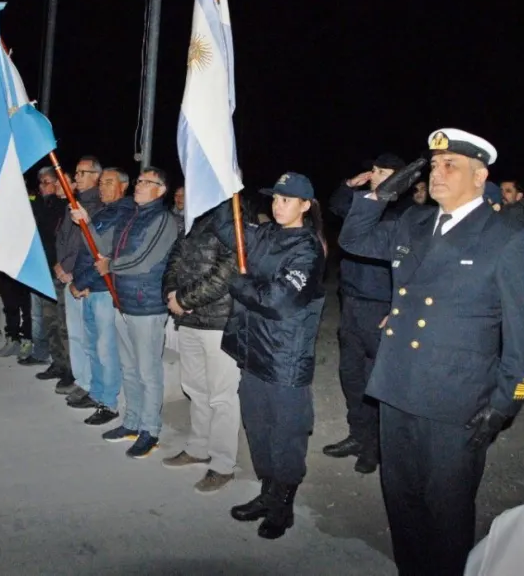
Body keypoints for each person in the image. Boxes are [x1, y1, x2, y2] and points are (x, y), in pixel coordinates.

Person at [339, 128, 524, 575]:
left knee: (446, 512)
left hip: (455, 397)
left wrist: (505, 402)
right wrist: (379, 196)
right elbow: (353, 241)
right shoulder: (413, 223)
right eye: (434, 165)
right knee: (401, 501)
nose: (438, 172)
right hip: (397, 386)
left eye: (450, 164)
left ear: (480, 176)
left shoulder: (507, 236)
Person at [212, 172, 326, 540]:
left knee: (286, 435)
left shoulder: (307, 250)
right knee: (258, 429)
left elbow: (276, 301)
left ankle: (283, 505)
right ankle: (267, 493)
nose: (278, 205)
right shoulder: (265, 235)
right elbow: (226, 228)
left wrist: (236, 281)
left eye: (287, 200)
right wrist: (218, 188)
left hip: (284, 358)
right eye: (276, 199)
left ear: (305, 206)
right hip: (253, 351)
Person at [324, 152, 406, 474]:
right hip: (353, 302)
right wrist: (349, 185)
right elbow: (337, 207)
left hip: (381, 306)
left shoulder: (405, 212)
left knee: (376, 381)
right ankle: (357, 436)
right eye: (372, 169)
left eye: (381, 171)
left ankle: (375, 448)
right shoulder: (365, 204)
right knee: (351, 375)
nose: (373, 174)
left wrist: (399, 308)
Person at [88, 167, 178, 458]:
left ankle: (150, 430)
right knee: (129, 368)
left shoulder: (163, 220)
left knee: (147, 371)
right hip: (123, 302)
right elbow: (103, 248)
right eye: (138, 181)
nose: (138, 185)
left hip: (146, 305)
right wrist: (86, 224)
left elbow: (142, 260)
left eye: (145, 182)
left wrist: (110, 267)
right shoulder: (132, 216)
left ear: (160, 190)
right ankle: (132, 422)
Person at [161, 204, 241, 492]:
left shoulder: (234, 221)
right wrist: (171, 294)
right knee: (195, 387)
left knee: (222, 396)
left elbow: (225, 276)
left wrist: (183, 300)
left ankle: (222, 464)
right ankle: (198, 447)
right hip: (189, 318)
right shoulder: (194, 221)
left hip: (219, 320)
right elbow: (174, 261)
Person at [66, 168, 134, 424]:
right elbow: (87, 252)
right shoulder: (104, 212)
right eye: (102, 183)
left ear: (123, 186)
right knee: (93, 345)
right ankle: (97, 393)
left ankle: (109, 402)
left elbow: (105, 254)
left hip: (104, 289)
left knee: (106, 349)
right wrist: (79, 281)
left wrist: (82, 281)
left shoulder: (124, 213)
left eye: (109, 183)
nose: (103, 187)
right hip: (90, 287)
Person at [52, 156, 104, 394]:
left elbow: (86, 245)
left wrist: (71, 269)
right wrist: (59, 264)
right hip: (67, 274)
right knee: (73, 332)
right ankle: (80, 378)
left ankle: (91, 382)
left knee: (87, 335)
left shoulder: (98, 206)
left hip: (82, 277)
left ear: (96, 176)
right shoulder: (71, 204)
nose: (76, 178)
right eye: (77, 173)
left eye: (82, 173)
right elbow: (63, 238)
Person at [21, 166, 68, 367]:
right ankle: (40, 353)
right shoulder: (39, 203)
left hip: (54, 270)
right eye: (40, 182)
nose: (42, 186)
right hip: (38, 268)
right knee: (37, 315)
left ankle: (60, 361)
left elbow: (57, 237)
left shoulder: (63, 206)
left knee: (56, 321)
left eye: (47, 182)